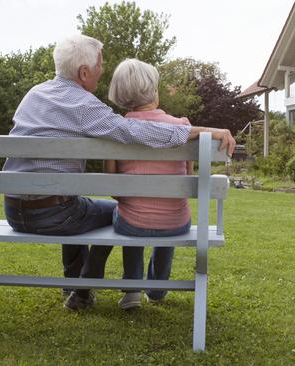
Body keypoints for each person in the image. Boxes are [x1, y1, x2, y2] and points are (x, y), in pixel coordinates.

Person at [2, 34, 235, 311]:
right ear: (84, 72)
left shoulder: (34, 94)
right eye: (100, 64)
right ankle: (81, 290)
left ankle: (75, 286)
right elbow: (136, 131)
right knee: (107, 213)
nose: (102, 70)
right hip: (55, 214)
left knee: (79, 205)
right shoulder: (84, 105)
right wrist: (206, 131)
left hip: (14, 211)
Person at [104, 59, 192, 310]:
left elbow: (113, 188)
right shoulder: (182, 127)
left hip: (132, 223)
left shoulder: (117, 130)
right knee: (168, 218)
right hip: (175, 222)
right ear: (154, 89)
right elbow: (187, 177)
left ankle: (132, 291)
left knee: (128, 217)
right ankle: (157, 288)